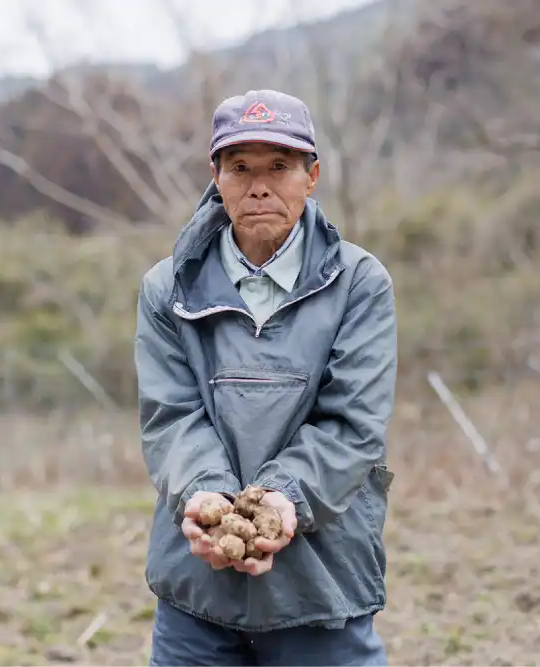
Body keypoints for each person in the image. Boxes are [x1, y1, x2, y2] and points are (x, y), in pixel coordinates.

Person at [134, 89, 398, 666]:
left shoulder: (360, 284)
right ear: (216, 177)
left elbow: (352, 424)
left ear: (312, 176)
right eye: (241, 167)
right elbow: (172, 418)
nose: (259, 185)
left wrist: (284, 499)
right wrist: (208, 499)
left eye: (279, 166)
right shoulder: (166, 289)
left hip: (321, 581)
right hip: (196, 585)